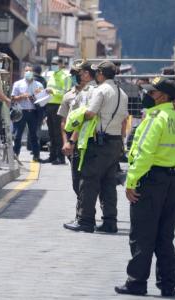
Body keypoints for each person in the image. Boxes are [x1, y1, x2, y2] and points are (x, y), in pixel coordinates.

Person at [115, 77, 175, 297]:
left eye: (152, 93)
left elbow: (144, 153)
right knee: (165, 236)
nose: (148, 96)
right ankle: (168, 284)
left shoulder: (156, 117)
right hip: (171, 182)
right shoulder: (174, 117)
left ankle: (136, 282)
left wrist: (131, 182)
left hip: (150, 181)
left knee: (142, 234)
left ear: (164, 97)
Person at [63, 60, 129, 233]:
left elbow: (91, 113)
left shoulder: (101, 90)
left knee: (89, 180)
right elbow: (124, 119)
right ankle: (110, 221)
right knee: (109, 183)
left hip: (99, 141)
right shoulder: (122, 92)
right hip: (115, 141)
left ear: (100, 74)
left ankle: (85, 221)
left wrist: (76, 114)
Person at [59, 61, 96, 194]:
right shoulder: (68, 95)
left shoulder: (94, 93)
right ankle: (82, 204)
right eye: (73, 74)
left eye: (78, 73)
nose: (76, 76)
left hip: (87, 138)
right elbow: (63, 121)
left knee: (88, 178)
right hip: (72, 139)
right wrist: (66, 142)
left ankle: (84, 208)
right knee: (76, 178)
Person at [11, 65, 44, 162]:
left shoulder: (38, 85)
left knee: (34, 135)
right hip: (21, 111)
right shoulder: (18, 84)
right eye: (26, 71)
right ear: (23, 72)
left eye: (30, 71)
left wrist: (34, 97)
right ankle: (15, 154)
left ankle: (36, 155)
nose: (28, 72)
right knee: (18, 135)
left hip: (33, 112)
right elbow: (12, 98)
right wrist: (21, 96)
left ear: (33, 72)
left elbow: (42, 100)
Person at [46, 56, 72, 164]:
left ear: (62, 65)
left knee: (58, 133)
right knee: (51, 132)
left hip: (59, 106)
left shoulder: (66, 76)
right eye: (52, 63)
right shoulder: (51, 75)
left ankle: (60, 157)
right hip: (49, 105)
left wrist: (54, 92)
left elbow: (66, 92)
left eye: (56, 63)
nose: (54, 65)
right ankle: (52, 156)